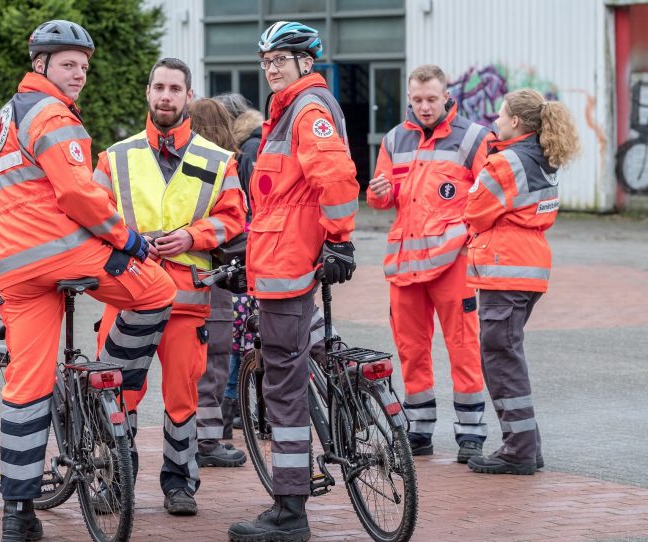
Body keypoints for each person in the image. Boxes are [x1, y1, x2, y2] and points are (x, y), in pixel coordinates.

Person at [0, 20, 176, 542]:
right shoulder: (53, 115)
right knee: (159, 290)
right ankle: (109, 394)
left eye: (83, 66)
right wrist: (129, 241)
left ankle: (19, 516)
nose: (78, 74)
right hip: (74, 257)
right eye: (68, 64)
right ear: (41, 65)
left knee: (25, 387)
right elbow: (80, 196)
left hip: (16, 274)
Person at [92, 59, 247, 515]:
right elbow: (90, 216)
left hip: (187, 301)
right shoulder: (113, 157)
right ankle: (114, 482)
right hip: (127, 296)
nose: (165, 96)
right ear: (147, 92)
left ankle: (179, 486)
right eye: (159, 87)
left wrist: (192, 237)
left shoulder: (219, 161)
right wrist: (128, 243)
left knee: (183, 398)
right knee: (118, 394)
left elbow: (234, 218)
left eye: (174, 89)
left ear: (187, 96)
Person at [228, 21, 360, 542]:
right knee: (293, 366)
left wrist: (340, 239)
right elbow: (275, 200)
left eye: (281, 58)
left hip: (290, 265)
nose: (271, 67)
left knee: (282, 383)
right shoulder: (287, 113)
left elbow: (335, 178)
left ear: (307, 62)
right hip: (279, 258)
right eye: (266, 60)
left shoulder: (306, 109)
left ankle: (290, 508)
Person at [366, 64, 493, 463]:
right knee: (411, 347)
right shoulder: (394, 139)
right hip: (405, 265)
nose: (424, 106)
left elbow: (490, 195)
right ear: (409, 97)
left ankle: (471, 434)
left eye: (431, 99)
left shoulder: (473, 139)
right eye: (417, 99)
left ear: (446, 96)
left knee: (464, 346)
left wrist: (468, 237)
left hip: (454, 261)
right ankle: (419, 430)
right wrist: (378, 193)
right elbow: (380, 198)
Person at [465, 89, 580, 475]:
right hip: (527, 267)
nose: (495, 121)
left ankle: (518, 450)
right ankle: (528, 445)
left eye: (500, 115)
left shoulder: (506, 162)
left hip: (505, 268)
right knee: (507, 354)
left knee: (501, 359)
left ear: (515, 121)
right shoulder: (542, 157)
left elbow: (475, 211)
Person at [187, 98, 248, 468]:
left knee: (192, 366)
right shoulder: (223, 167)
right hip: (216, 278)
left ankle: (192, 439)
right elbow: (233, 226)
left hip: (181, 279)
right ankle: (207, 443)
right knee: (214, 361)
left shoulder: (182, 165)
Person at [218, 101, 264, 435]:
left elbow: (250, 201)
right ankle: (235, 406)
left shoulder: (247, 151)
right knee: (246, 335)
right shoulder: (257, 143)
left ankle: (231, 405)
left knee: (241, 336)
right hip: (257, 250)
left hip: (247, 249)